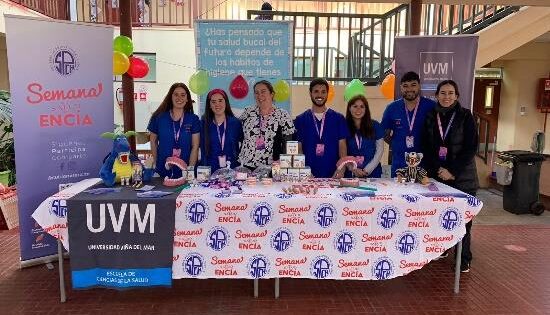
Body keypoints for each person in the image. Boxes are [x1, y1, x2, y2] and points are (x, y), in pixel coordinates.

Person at [421, 80, 479, 273]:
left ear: (457, 96)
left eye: (450, 93)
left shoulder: (465, 116)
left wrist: (452, 170)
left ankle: (464, 257)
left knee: (463, 220)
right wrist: (438, 169)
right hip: (438, 176)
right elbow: (426, 147)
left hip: (462, 177)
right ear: (436, 95)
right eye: (443, 93)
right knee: (441, 216)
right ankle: (444, 248)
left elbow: (471, 148)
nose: (447, 97)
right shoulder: (431, 116)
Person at [381, 71, 436, 176]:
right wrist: (396, 144)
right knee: (399, 192)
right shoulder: (392, 108)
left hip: (425, 165)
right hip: (399, 165)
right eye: (405, 86)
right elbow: (384, 132)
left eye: (413, 85)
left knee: (423, 192)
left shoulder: (431, 107)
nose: (409, 89)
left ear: (419, 86)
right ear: (401, 88)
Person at [294, 78, 348, 178]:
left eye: (323, 92)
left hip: (334, 175)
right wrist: (303, 169)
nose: (320, 95)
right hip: (309, 176)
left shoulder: (338, 118)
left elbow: (342, 146)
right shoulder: (300, 119)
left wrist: (341, 168)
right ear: (310, 93)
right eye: (316, 91)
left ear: (327, 94)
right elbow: (299, 148)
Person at [238, 80, 295, 169]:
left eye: (263, 91)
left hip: (271, 167)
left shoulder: (282, 115)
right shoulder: (248, 112)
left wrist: (284, 162)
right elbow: (238, 133)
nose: (259, 95)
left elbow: (289, 143)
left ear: (271, 94)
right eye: (256, 93)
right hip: (246, 165)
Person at [148, 82, 200, 178]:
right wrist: (156, 162)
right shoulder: (159, 118)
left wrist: (190, 170)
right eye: (176, 95)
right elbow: (153, 141)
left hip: (185, 172)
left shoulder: (193, 119)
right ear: (170, 97)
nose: (179, 98)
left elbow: (195, 146)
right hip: (163, 171)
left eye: (183, 95)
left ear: (187, 99)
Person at [200, 89, 243, 172]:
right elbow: (202, 149)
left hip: (232, 170)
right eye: (213, 102)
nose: (217, 104)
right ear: (209, 105)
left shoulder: (235, 123)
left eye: (220, 101)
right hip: (210, 171)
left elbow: (244, 144)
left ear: (225, 102)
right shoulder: (203, 124)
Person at [345, 95, 384, 178]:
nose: (358, 110)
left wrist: (367, 170)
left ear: (366, 109)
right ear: (349, 108)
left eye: (362, 106)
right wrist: (353, 169)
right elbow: (342, 151)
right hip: (350, 173)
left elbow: (380, 150)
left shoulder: (375, 125)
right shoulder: (344, 126)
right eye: (355, 106)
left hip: (372, 173)